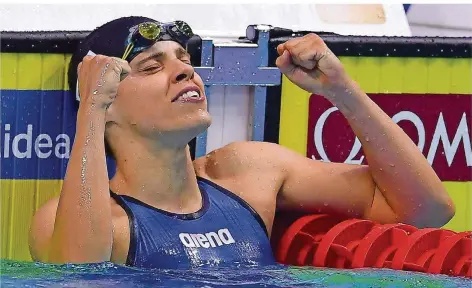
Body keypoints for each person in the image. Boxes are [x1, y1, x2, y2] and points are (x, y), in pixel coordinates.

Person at [29, 16, 455, 269]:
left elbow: (428, 210)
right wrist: (92, 109)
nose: (184, 72)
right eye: (150, 67)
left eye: (184, 60)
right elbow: (79, 274)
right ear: (107, 105)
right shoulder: (82, 221)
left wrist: (342, 90)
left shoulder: (246, 174)